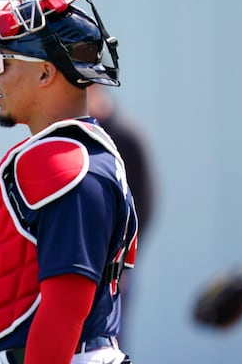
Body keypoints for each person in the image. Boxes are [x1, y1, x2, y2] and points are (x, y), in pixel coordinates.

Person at [0, 0, 139, 363]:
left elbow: (65, 309)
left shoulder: (69, 165)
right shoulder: (66, 154)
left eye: (3, 62)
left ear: (46, 72)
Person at [87, 83, 156, 346]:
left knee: (109, 342)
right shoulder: (79, 133)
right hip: (79, 260)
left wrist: (124, 262)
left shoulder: (125, 135)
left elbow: (145, 204)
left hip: (115, 264)